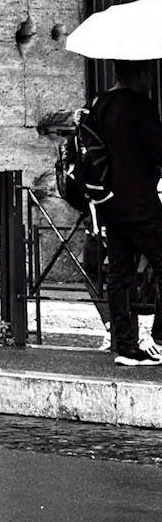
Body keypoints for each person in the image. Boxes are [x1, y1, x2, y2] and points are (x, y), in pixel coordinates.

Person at [92, 61, 162, 366]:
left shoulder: (99, 105)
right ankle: (158, 339)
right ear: (142, 74)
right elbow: (158, 151)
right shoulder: (140, 107)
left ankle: (125, 346)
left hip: (110, 202)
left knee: (119, 274)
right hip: (141, 203)